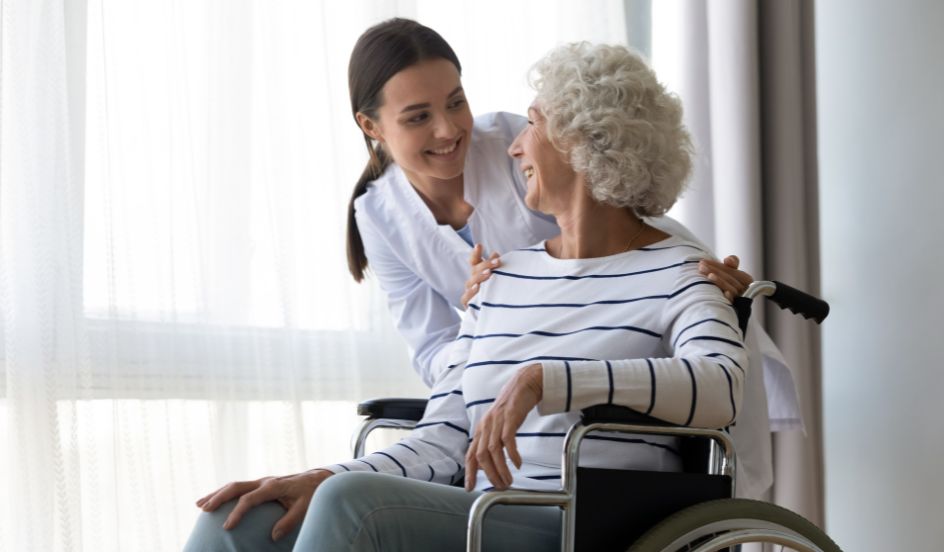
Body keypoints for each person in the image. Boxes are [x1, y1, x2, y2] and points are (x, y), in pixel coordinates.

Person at [186, 41, 748, 551]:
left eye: (530, 125)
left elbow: (722, 384)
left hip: (584, 522)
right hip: (483, 512)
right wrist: (326, 475)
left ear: (582, 142)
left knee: (351, 504)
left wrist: (545, 378)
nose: (513, 147)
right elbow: (442, 439)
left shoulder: (682, 272)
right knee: (239, 519)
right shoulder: (498, 280)